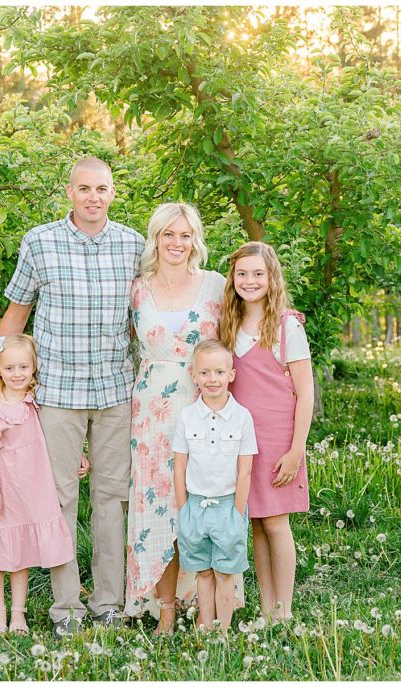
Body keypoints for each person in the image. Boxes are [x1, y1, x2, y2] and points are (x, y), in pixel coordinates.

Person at [0, 157, 144, 639]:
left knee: (112, 497)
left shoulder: (133, 246)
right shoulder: (40, 242)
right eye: (85, 188)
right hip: (57, 395)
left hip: (115, 390)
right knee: (60, 498)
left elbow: (158, 308)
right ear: (69, 192)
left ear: (113, 193)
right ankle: (66, 607)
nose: (94, 197)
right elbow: (15, 317)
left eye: (103, 189)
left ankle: (109, 602)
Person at [124, 202, 229, 636]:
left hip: (203, 406)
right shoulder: (136, 289)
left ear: (195, 240)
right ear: (155, 238)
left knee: (203, 505)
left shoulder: (215, 287)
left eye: (185, 235)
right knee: (157, 511)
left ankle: (205, 605)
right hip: (150, 414)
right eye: (168, 234)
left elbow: (246, 326)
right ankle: (165, 606)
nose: (177, 243)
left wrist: (285, 320)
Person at [219, 241, 314, 623]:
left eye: (258, 273)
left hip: (278, 439)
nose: (250, 280)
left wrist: (297, 450)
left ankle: (284, 611)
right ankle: (265, 607)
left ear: (271, 277)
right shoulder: (229, 325)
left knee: (276, 522)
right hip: (241, 442)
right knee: (255, 521)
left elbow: (305, 392)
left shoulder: (285, 325)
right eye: (242, 274)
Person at [0, 334, 77, 635]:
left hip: (31, 487)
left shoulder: (36, 401)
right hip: (3, 489)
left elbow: (52, 437)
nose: (17, 374)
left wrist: (77, 454)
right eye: (9, 368)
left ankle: (18, 615)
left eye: (23, 367)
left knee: (21, 552)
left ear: (34, 368)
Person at [172, 339, 257, 631]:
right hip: (195, 507)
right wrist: (183, 509)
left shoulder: (242, 417)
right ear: (194, 375)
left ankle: (224, 630)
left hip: (227, 506)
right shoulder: (186, 417)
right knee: (203, 573)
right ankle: (205, 626)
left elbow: (245, 471)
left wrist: (237, 511)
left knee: (224, 573)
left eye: (219, 372)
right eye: (205, 373)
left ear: (231, 375)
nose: (212, 379)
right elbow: (180, 466)